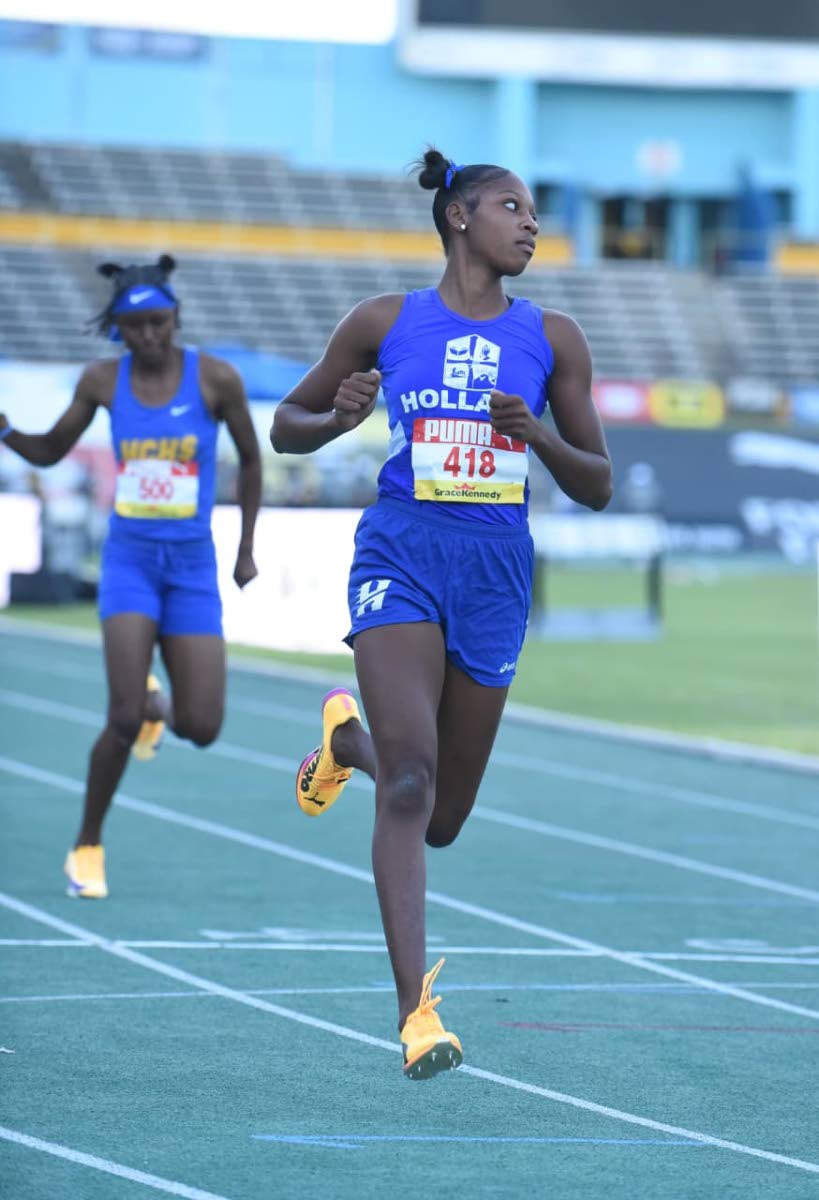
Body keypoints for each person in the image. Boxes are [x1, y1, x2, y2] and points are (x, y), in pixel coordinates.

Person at [270, 148, 612, 1081]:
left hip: (496, 573)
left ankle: (345, 747)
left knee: (441, 816)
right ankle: (416, 1014)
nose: (530, 224)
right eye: (512, 207)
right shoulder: (384, 322)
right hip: (401, 555)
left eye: (534, 212)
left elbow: (599, 486)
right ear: (459, 218)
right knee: (411, 784)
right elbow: (284, 427)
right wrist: (336, 419)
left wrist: (536, 434)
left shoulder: (557, 338)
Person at [0, 254, 261, 899]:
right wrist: (5, 429)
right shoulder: (100, 381)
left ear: (175, 318)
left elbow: (252, 461)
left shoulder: (216, 379)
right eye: (135, 326)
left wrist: (245, 548)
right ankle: (87, 844)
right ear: (119, 328)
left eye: (159, 323)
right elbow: (52, 450)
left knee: (202, 726)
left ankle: (156, 706)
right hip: (130, 563)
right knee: (118, 717)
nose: (149, 336)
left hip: (193, 566)